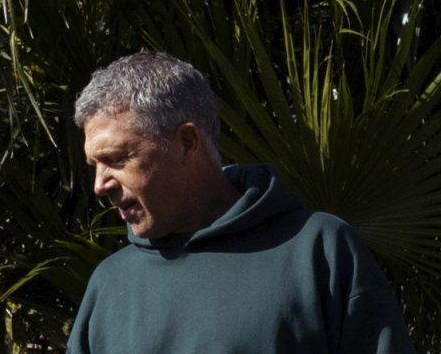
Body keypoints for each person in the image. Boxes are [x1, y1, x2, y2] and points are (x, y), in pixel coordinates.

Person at [67, 51, 415, 353]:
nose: (99, 185)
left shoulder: (318, 251)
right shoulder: (109, 285)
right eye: (93, 165)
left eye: (115, 159)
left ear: (187, 143)